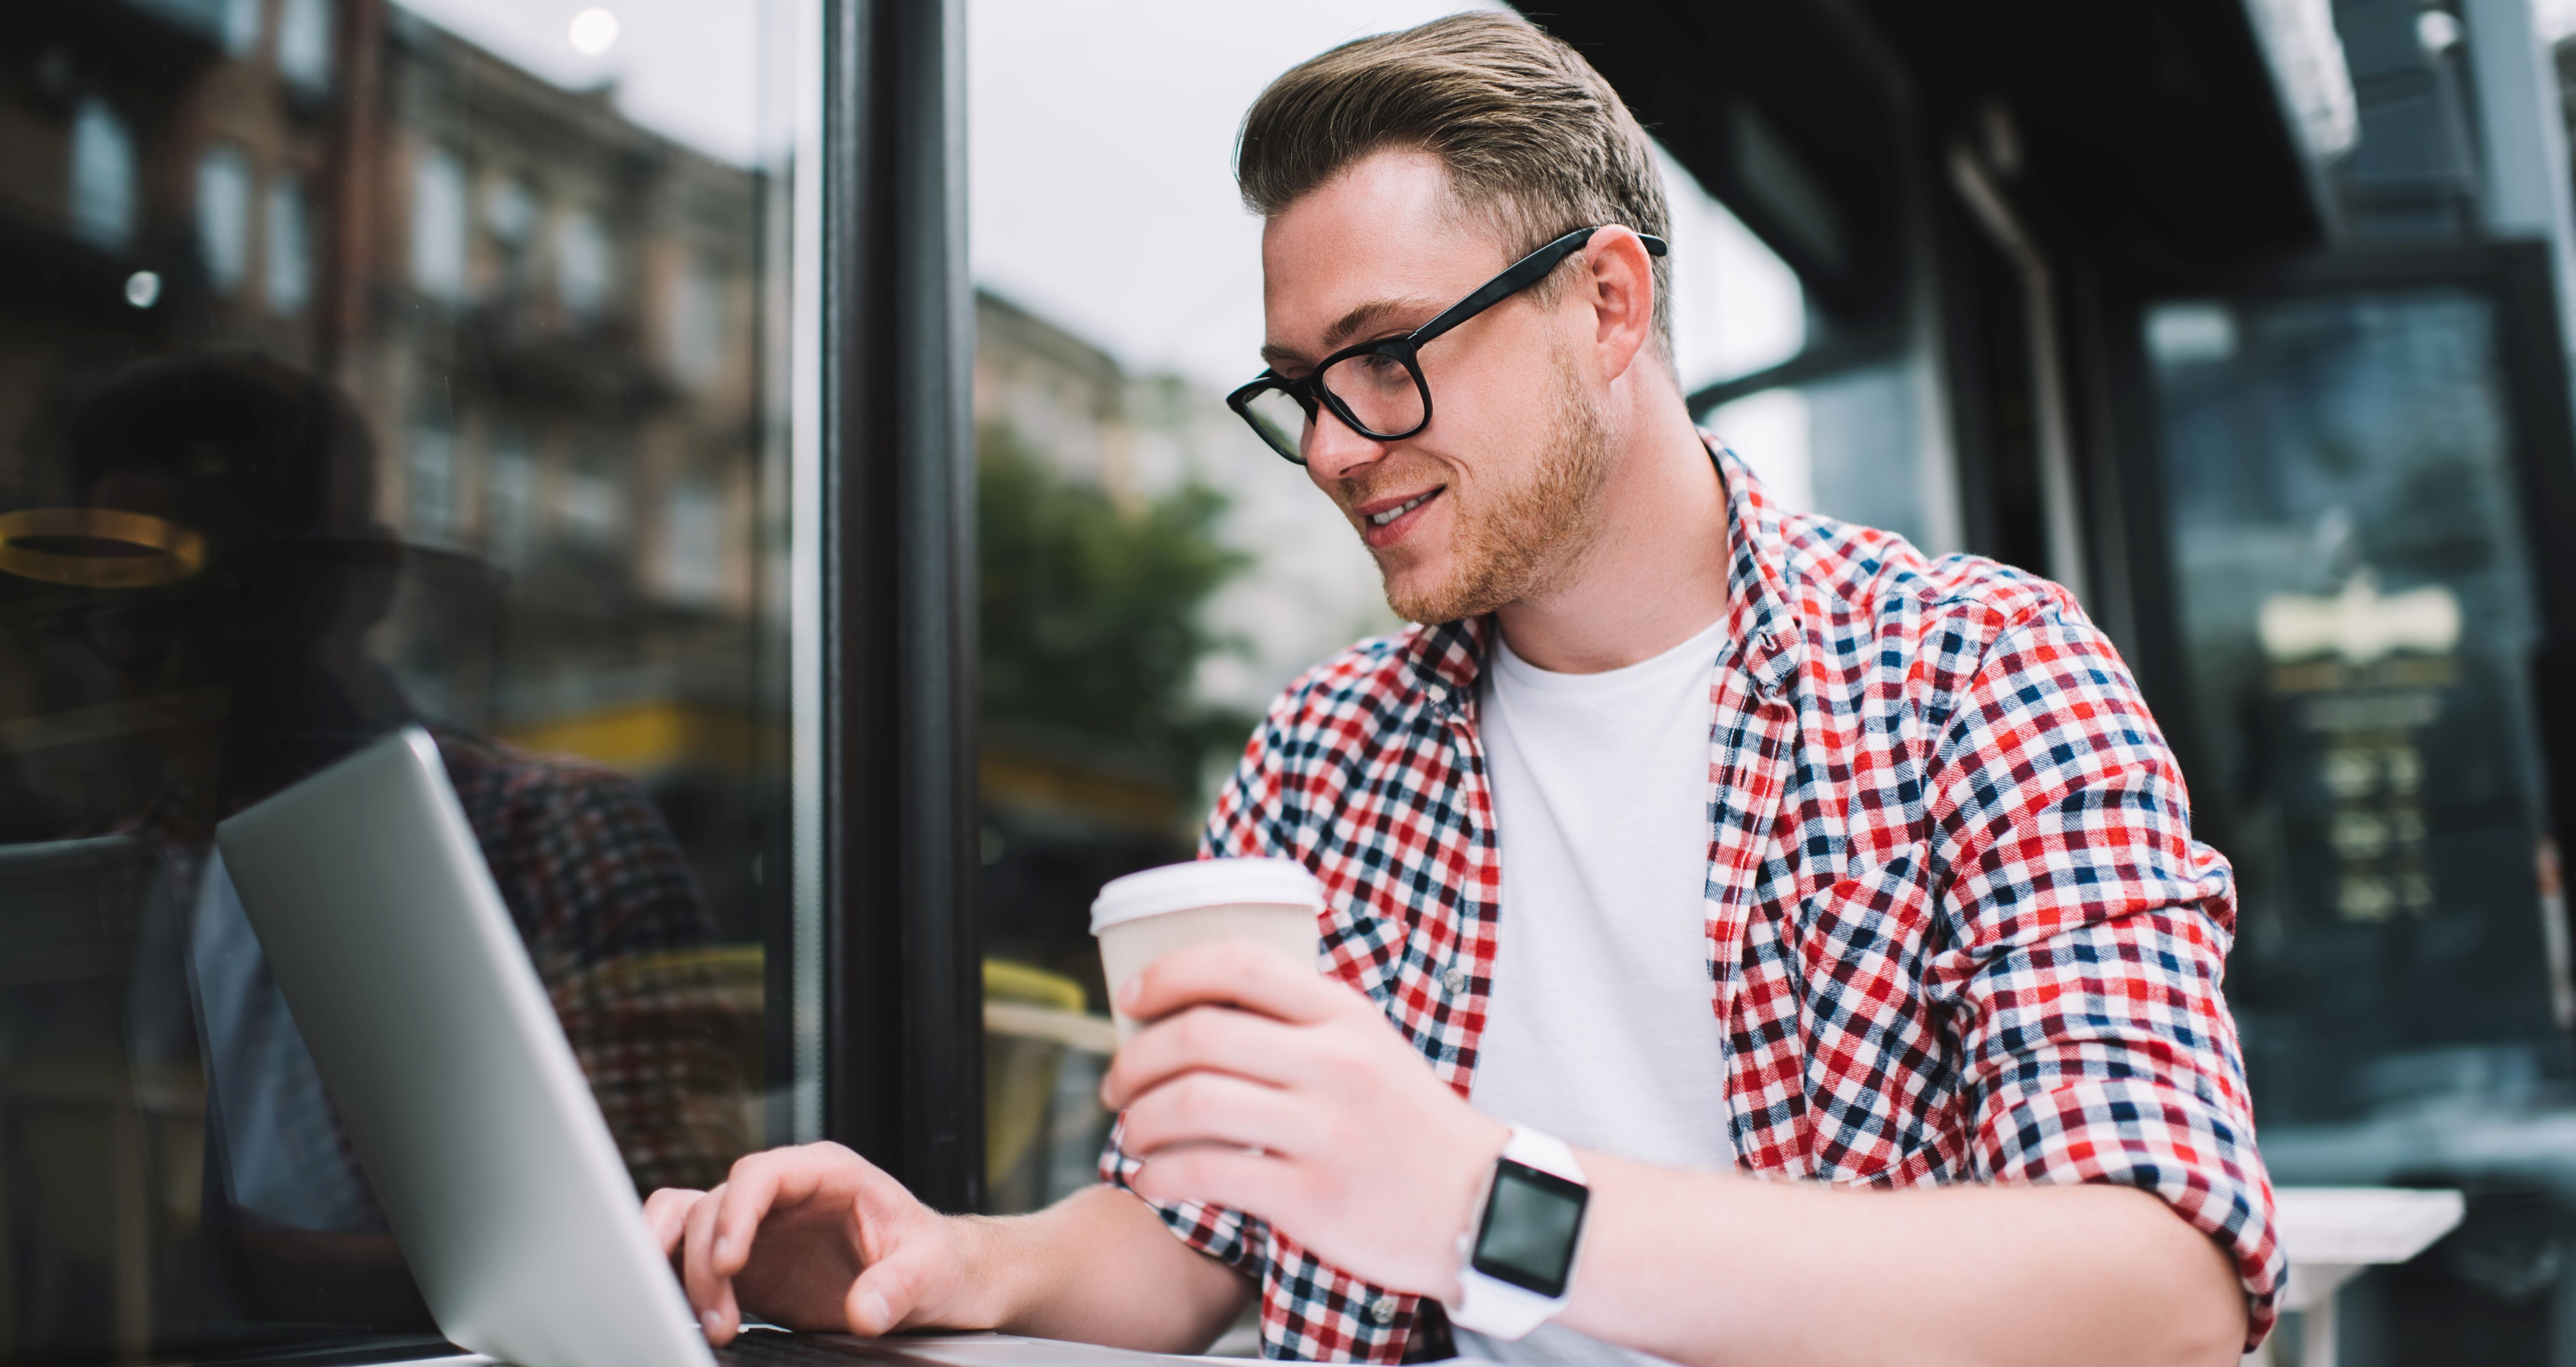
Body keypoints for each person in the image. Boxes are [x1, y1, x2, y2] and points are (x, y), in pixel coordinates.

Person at [650, 14, 2280, 1366]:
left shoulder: (1976, 675)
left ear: (1607, 303)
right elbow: (1197, 1236)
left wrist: (1482, 1199)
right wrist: (941, 1261)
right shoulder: (1325, 749)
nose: (1341, 448)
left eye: (1383, 355)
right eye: (1301, 392)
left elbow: (2160, 1291)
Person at [24, 354, 751, 1323]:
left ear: (354, 587)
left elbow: (671, 1260)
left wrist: (217, 1269)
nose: (174, 649)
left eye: (227, 591)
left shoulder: (552, 836)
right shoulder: (117, 880)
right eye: (137, 606)